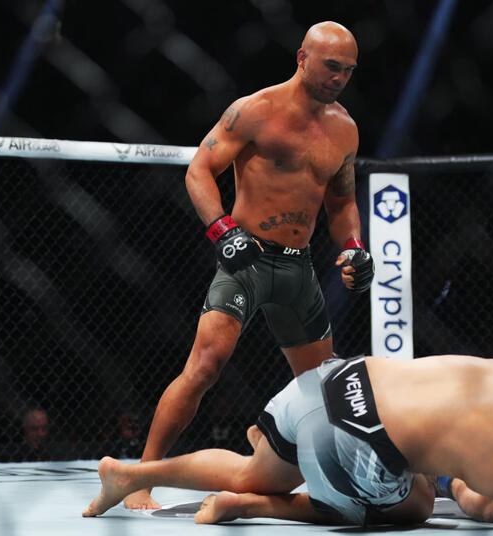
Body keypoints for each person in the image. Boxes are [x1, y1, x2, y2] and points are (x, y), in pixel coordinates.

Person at [124, 21, 373, 509]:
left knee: (322, 386)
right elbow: (200, 169)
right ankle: (139, 477)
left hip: (299, 270)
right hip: (248, 259)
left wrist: (353, 249)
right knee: (204, 367)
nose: (340, 77)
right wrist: (222, 230)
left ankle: (326, 474)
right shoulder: (254, 111)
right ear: (302, 58)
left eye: (348, 70)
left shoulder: (345, 129)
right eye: (331, 66)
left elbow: (341, 204)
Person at [84, 354, 493, 525]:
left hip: (338, 377)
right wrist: (449, 479)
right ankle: (255, 506)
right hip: (356, 442)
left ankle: (132, 473)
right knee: (416, 507)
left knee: (249, 465)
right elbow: (479, 506)